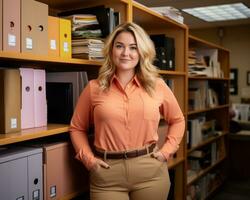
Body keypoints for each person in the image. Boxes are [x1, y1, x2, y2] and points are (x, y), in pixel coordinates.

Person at [70, 22, 185, 200]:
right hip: (107, 174)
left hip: (150, 173)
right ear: (111, 50)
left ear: (141, 52)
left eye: (133, 47)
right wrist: (89, 161)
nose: (126, 53)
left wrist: (166, 152)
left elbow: (178, 120)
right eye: (119, 46)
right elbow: (77, 128)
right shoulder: (93, 88)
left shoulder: (158, 86)